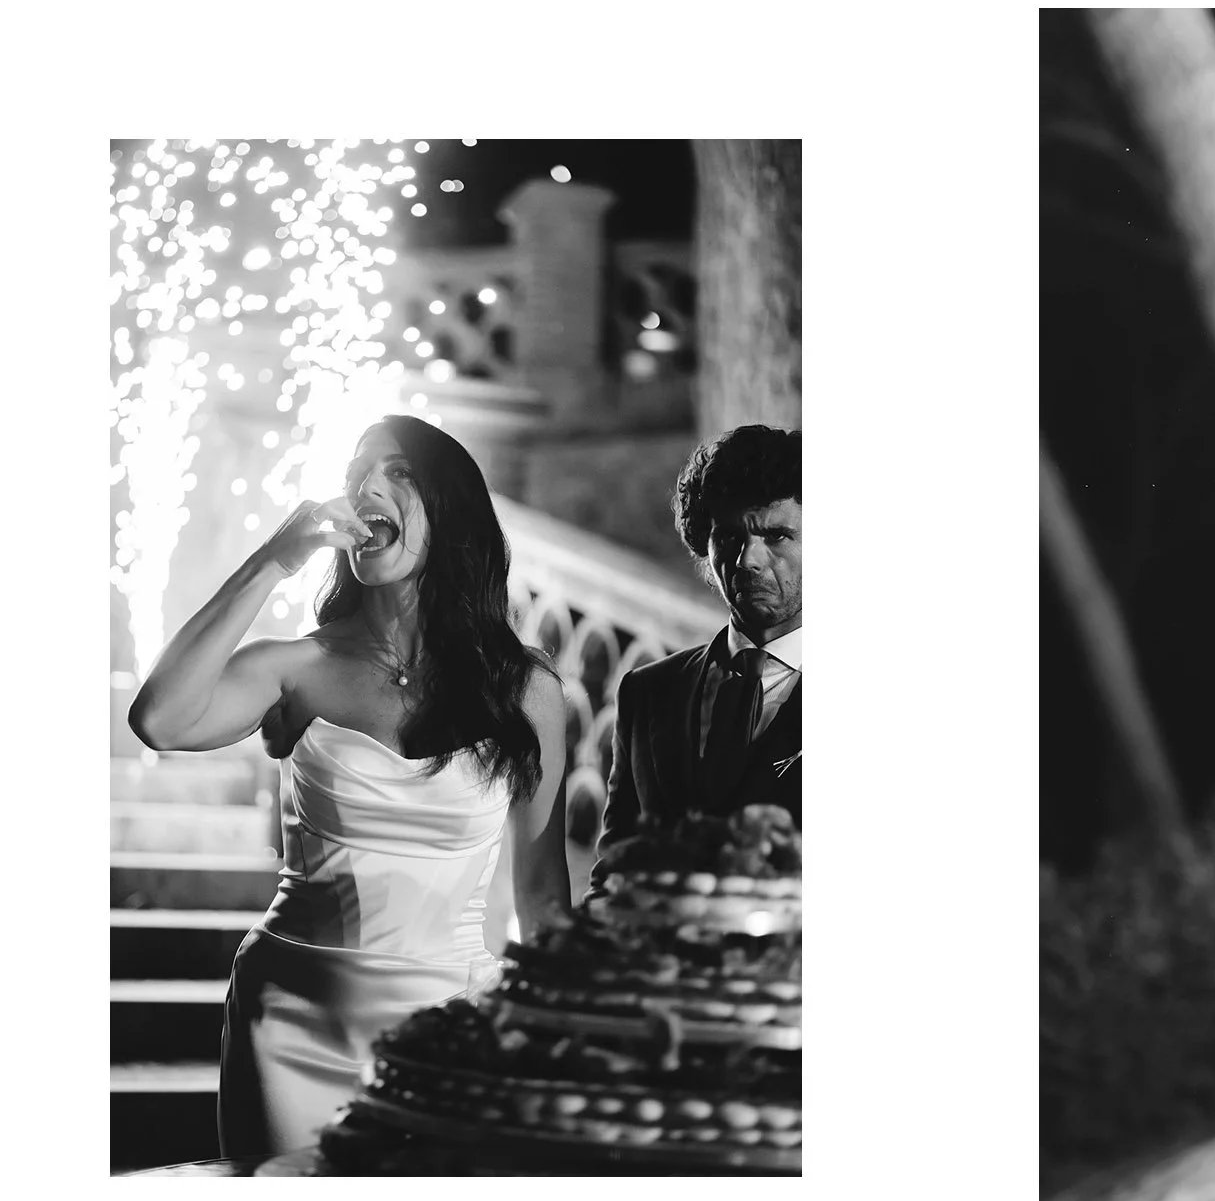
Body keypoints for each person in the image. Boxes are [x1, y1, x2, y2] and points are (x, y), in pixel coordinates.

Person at [129, 414, 571, 1159]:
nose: (366, 486)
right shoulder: (297, 667)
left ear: (450, 510)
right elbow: (161, 719)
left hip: (451, 1031)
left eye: (398, 473)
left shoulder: (524, 691)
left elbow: (545, 898)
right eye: (357, 472)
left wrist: (556, 1043)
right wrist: (272, 561)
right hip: (290, 1022)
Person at [587, 424, 800, 895]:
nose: (749, 560)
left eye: (778, 535)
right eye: (729, 537)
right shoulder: (648, 691)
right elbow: (615, 870)